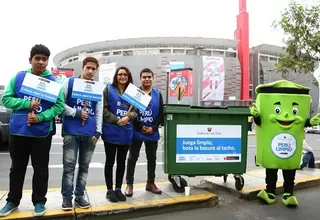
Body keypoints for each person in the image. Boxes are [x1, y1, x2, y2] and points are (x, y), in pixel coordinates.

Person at [0, 44, 65, 217]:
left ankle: (39, 201)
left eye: (44, 59)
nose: (41, 62)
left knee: (41, 169)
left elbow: (59, 106)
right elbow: (6, 99)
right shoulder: (19, 78)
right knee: (17, 168)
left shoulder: (53, 81)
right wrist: (27, 104)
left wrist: (41, 117)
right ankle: (12, 201)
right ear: (30, 60)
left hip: (42, 132)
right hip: (18, 130)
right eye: (38, 58)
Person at [60, 57, 102, 210]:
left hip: (90, 134)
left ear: (96, 70)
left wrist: (98, 132)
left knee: (84, 167)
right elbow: (59, 104)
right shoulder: (69, 83)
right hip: (71, 132)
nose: (90, 71)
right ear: (82, 68)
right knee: (69, 167)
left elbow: (99, 111)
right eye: (88, 68)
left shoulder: (97, 87)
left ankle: (79, 196)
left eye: (93, 69)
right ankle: (66, 197)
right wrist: (76, 113)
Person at [125, 68, 164, 197]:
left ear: (153, 77)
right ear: (140, 78)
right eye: (144, 77)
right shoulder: (135, 93)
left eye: (149, 77)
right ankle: (129, 184)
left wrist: (153, 127)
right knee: (132, 158)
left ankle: (150, 183)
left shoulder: (158, 94)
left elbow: (161, 114)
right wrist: (140, 126)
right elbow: (130, 112)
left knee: (152, 158)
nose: (147, 79)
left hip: (152, 131)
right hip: (137, 131)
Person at [102, 66, 138, 203]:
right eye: (120, 74)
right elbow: (103, 109)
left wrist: (128, 117)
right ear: (116, 76)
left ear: (128, 77)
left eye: (125, 75)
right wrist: (117, 120)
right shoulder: (108, 89)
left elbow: (136, 111)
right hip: (111, 130)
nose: (122, 77)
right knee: (110, 162)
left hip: (126, 132)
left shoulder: (133, 92)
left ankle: (118, 188)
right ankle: (109, 190)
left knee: (121, 162)